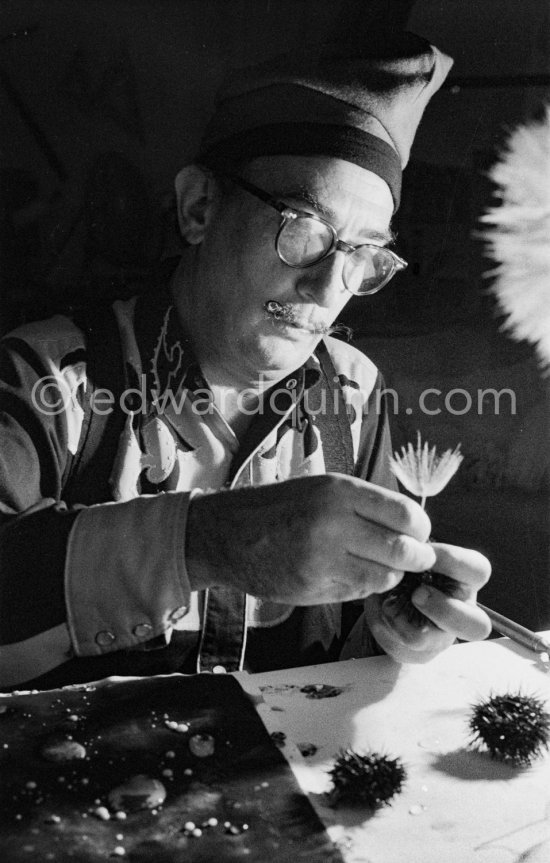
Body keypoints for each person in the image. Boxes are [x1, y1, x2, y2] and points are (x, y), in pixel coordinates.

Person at [0, 29, 491, 690]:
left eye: (361, 256)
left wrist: (399, 626)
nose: (327, 290)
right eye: (304, 231)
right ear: (199, 206)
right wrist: (205, 541)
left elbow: (349, 644)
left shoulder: (354, 392)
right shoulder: (49, 377)